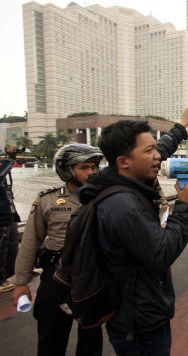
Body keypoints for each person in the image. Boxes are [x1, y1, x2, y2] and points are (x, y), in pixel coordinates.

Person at [80, 102, 188, 355]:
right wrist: (184, 208)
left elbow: (156, 152)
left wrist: (182, 126)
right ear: (123, 161)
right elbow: (161, 254)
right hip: (140, 323)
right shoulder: (125, 206)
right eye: (150, 150)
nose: (158, 156)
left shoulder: (117, 184)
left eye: (156, 149)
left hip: (137, 314)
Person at [10, 144, 105, 356]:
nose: (91, 172)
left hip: (92, 274)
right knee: (51, 337)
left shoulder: (104, 198)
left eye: (94, 167)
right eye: (84, 167)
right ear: (67, 170)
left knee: (91, 337)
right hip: (56, 274)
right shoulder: (47, 200)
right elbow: (30, 242)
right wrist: (20, 282)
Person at [0, 147, 21, 293]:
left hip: (9, 217)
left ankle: (10, 276)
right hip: (1, 220)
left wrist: (15, 216)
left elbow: (8, 197)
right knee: (1, 250)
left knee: (12, 248)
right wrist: (10, 159)